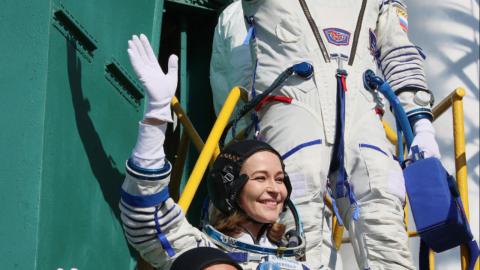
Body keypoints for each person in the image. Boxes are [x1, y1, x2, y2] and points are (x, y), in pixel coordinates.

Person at [210, 1, 441, 269]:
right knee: (298, 214)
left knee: (382, 206)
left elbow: (398, 50)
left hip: (362, 113)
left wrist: (421, 123)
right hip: (293, 110)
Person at [120, 34, 309, 270]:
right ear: (228, 188)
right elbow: (147, 219)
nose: (274, 189)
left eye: (280, 179)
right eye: (260, 178)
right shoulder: (200, 250)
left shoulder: (298, 259)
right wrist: (157, 114)